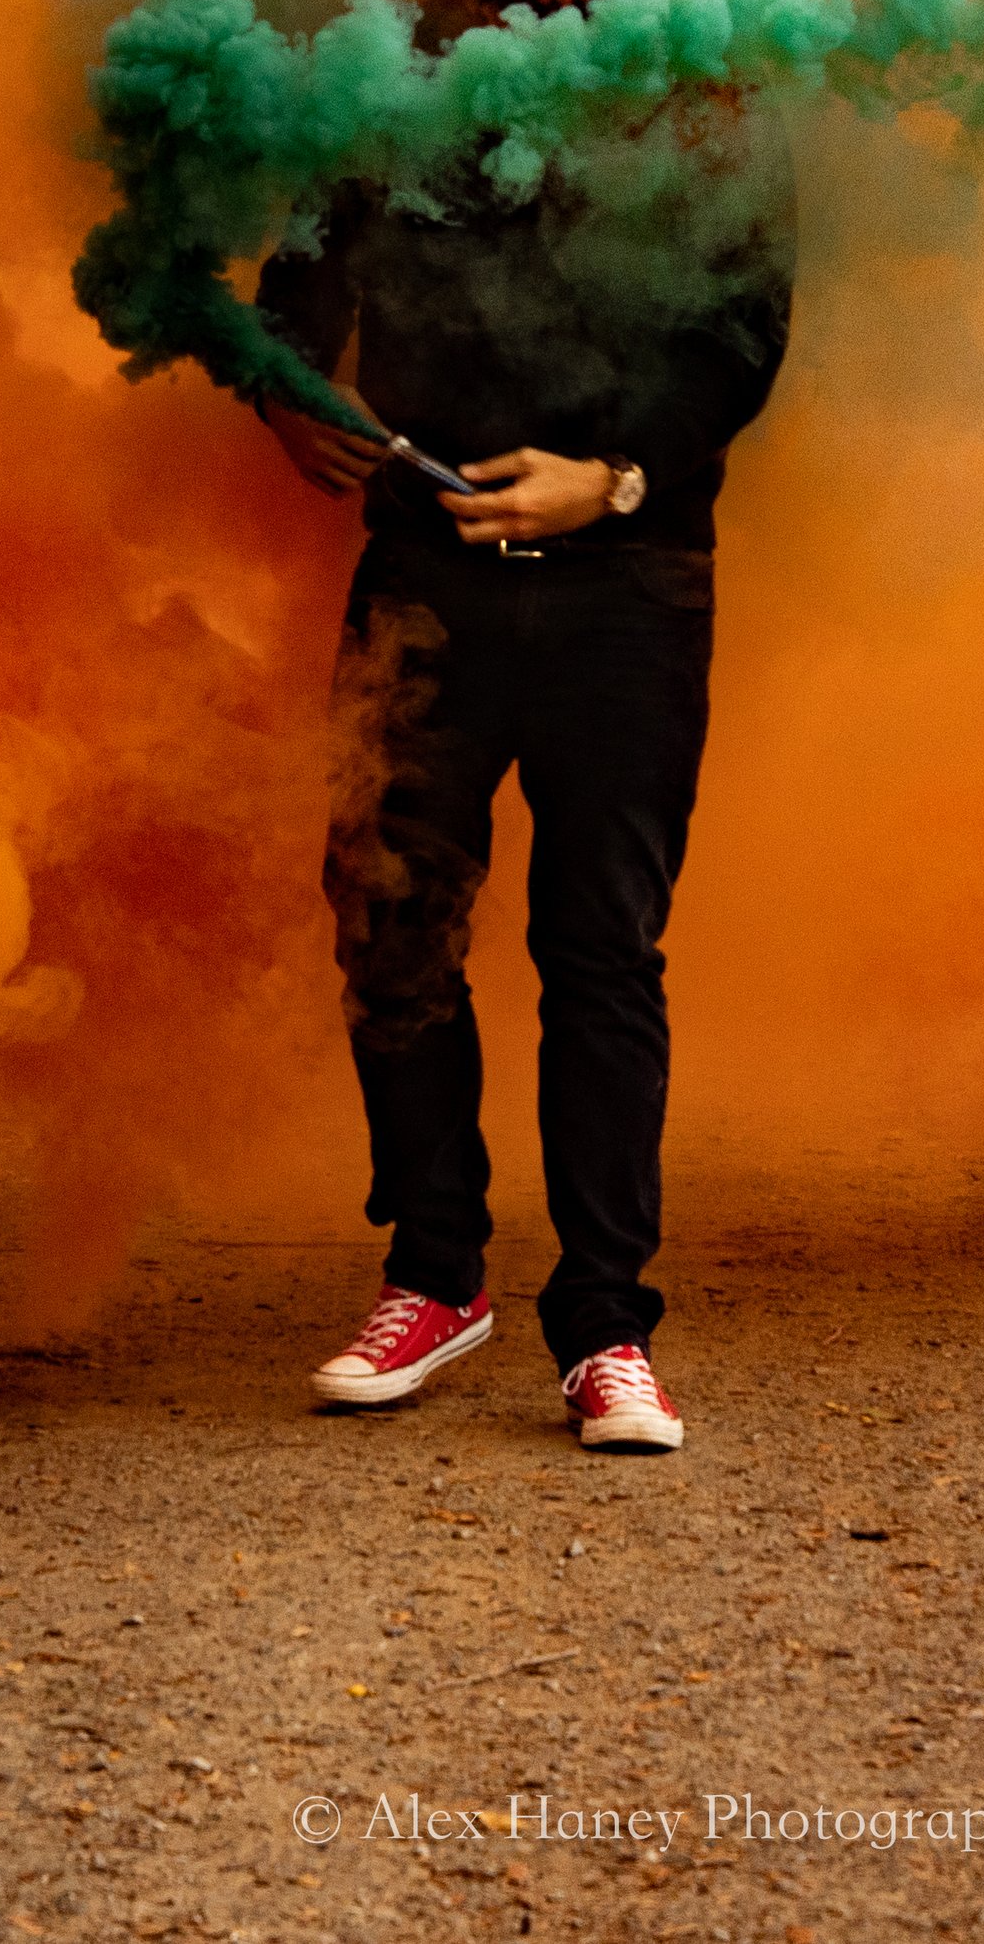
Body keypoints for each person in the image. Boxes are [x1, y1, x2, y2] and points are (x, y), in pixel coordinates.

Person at [259, 98, 792, 1450]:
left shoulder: (709, 88)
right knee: (390, 924)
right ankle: (436, 1275)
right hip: (423, 582)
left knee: (600, 950)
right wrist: (284, 390)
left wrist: (613, 477)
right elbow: (300, 277)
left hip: (634, 591)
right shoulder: (390, 74)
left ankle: (608, 1331)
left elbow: (740, 339)